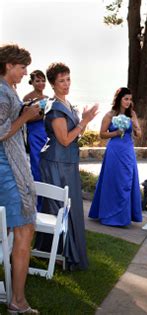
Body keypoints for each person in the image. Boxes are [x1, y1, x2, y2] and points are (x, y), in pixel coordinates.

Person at [35, 62, 98, 271]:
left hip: (67, 161)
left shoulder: (67, 104)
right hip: (56, 162)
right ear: (52, 84)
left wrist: (84, 119)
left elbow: (73, 136)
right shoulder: (54, 107)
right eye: (61, 81)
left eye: (68, 79)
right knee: (59, 207)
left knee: (68, 206)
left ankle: (50, 251)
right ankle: (61, 253)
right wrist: (85, 120)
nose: (66, 84)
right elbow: (64, 139)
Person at [0, 43, 40, 314]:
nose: (26, 72)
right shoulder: (2, 92)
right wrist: (26, 116)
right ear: (8, 66)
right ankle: (18, 301)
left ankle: (15, 296)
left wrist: (23, 109)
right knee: (24, 233)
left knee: (21, 232)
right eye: (22, 67)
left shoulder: (8, 90)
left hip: (10, 169)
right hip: (8, 172)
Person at [88, 87, 142, 226]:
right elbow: (102, 133)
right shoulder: (110, 115)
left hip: (127, 150)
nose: (128, 102)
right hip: (114, 150)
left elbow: (138, 134)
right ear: (119, 99)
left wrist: (136, 128)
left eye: (130, 99)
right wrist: (116, 133)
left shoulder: (132, 114)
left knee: (126, 180)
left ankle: (124, 216)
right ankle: (109, 214)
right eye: (126, 99)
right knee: (112, 180)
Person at [23, 70, 48, 210]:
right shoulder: (28, 98)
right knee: (37, 167)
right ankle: (36, 203)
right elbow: (25, 118)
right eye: (37, 80)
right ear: (31, 82)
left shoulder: (48, 97)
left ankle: (46, 203)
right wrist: (41, 114)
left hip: (46, 134)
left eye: (43, 80)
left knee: (45, 167)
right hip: (35, 135)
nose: (41, 83)